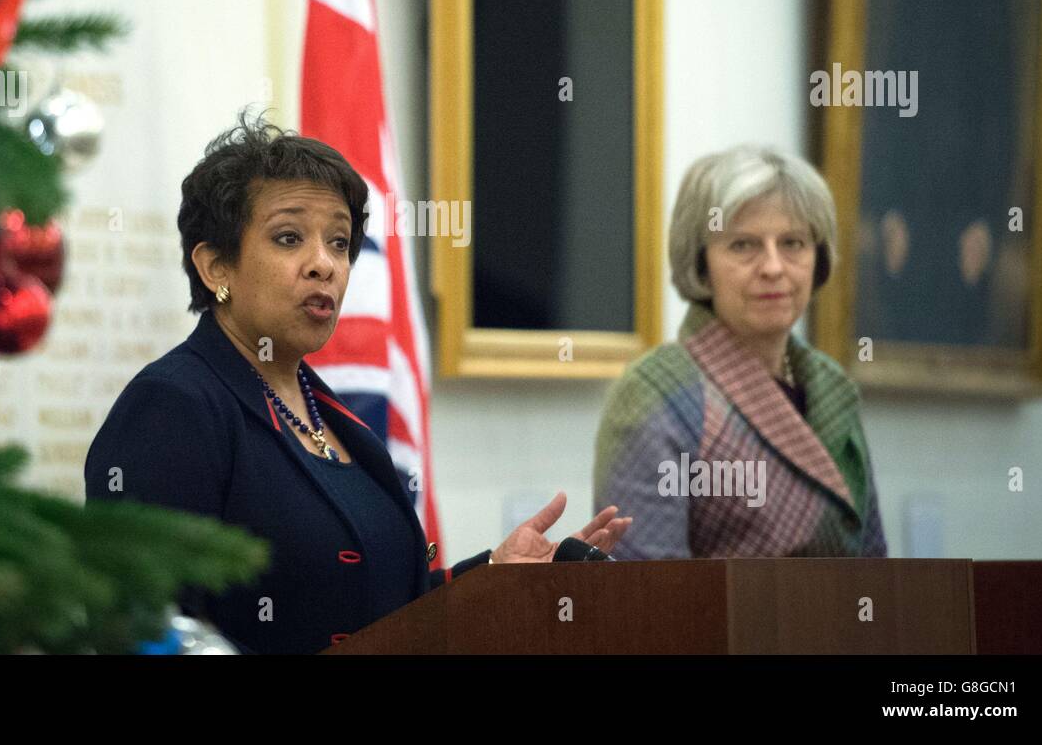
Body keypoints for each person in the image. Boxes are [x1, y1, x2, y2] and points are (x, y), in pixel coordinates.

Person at [86, 114, 632, 654]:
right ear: (215, 268)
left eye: (340, 243)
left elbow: (386, 612)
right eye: (288, 238)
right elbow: (145, 633)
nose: (324, 265)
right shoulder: (173, 406)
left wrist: (494, 573)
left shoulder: (330, 412)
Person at [594, 146, 887, 558]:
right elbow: (645, 598)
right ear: (701, 262)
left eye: (793, 243)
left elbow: (877, 568)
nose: (773, 267)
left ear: (818, 258)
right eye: (743, 245)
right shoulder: (657, 394)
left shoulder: (832, 386)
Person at [860, 0, 1017, 345]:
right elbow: (889, 90)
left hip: (966, 224)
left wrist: (986, 222)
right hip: (912, 213)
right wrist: (888, 210)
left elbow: (1002, 109)